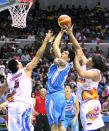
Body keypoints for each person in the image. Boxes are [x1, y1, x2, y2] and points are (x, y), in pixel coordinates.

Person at [6, 30, 53, 131]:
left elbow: (2, 89)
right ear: (18, 65)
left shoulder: (9, 77)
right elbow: (37, 56)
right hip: (23, 105)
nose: (20, 62)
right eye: (19, 61)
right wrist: (46, 40)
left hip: (12, 107)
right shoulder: (25, 70)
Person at [64, 25, 107, 131]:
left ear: (93, 63)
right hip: (84, 103)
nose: (89, 57)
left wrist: (76, 60)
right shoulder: (86, 63)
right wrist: (70, 34)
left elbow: (82, 73)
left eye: (91, 58)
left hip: (91, 103)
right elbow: (78, 48)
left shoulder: (96, 73)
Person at [45, 29, 75, 131]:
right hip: (60, 95)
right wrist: (61, 32)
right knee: (60, 125)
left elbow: (47, 54)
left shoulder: (63, 63)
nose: (62, 53)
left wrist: (48, 41)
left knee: (53, 124)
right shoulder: (64, 63)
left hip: (54, 95)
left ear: (69, 58)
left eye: (65, 53)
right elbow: (55, 45)